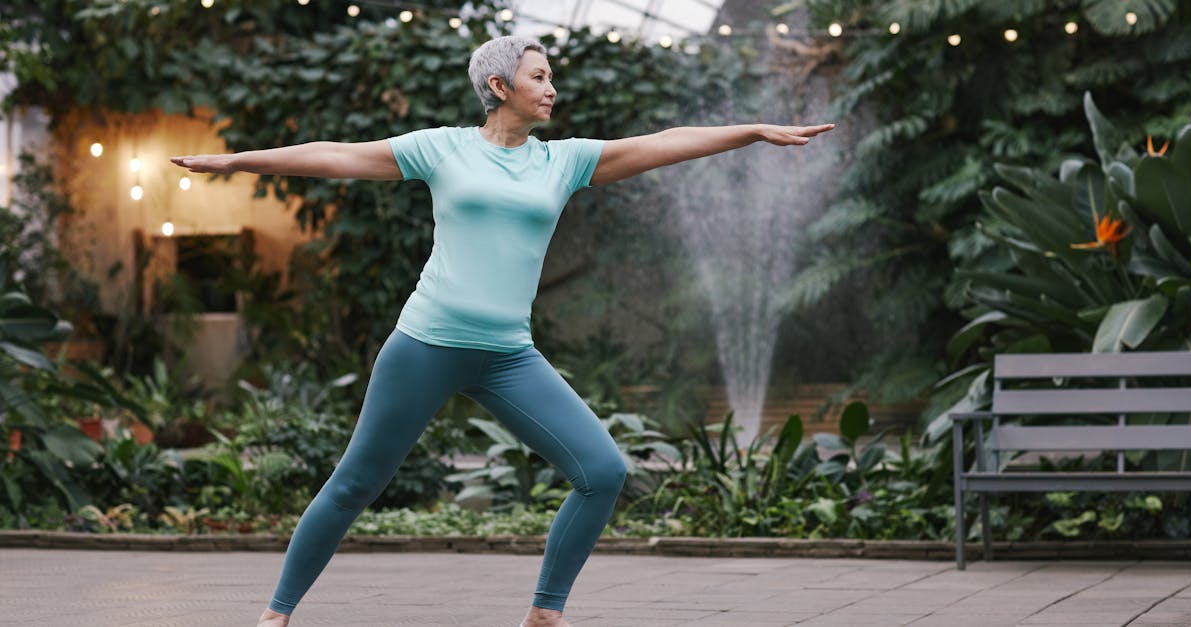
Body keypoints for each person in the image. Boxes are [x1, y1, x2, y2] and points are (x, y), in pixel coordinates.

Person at [171, 35, 833, 627]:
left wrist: (748, 131)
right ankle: (276, 613)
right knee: (355, 483)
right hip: (424, 345)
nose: (552, 88)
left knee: (602, 468)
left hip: (508, 356)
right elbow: (338, 155)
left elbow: (659, 144)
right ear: (499, 87)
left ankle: (545, 611)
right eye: (539, 76)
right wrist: (237, 163)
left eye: (551, 77)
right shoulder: (442, 147)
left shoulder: (562, 161)